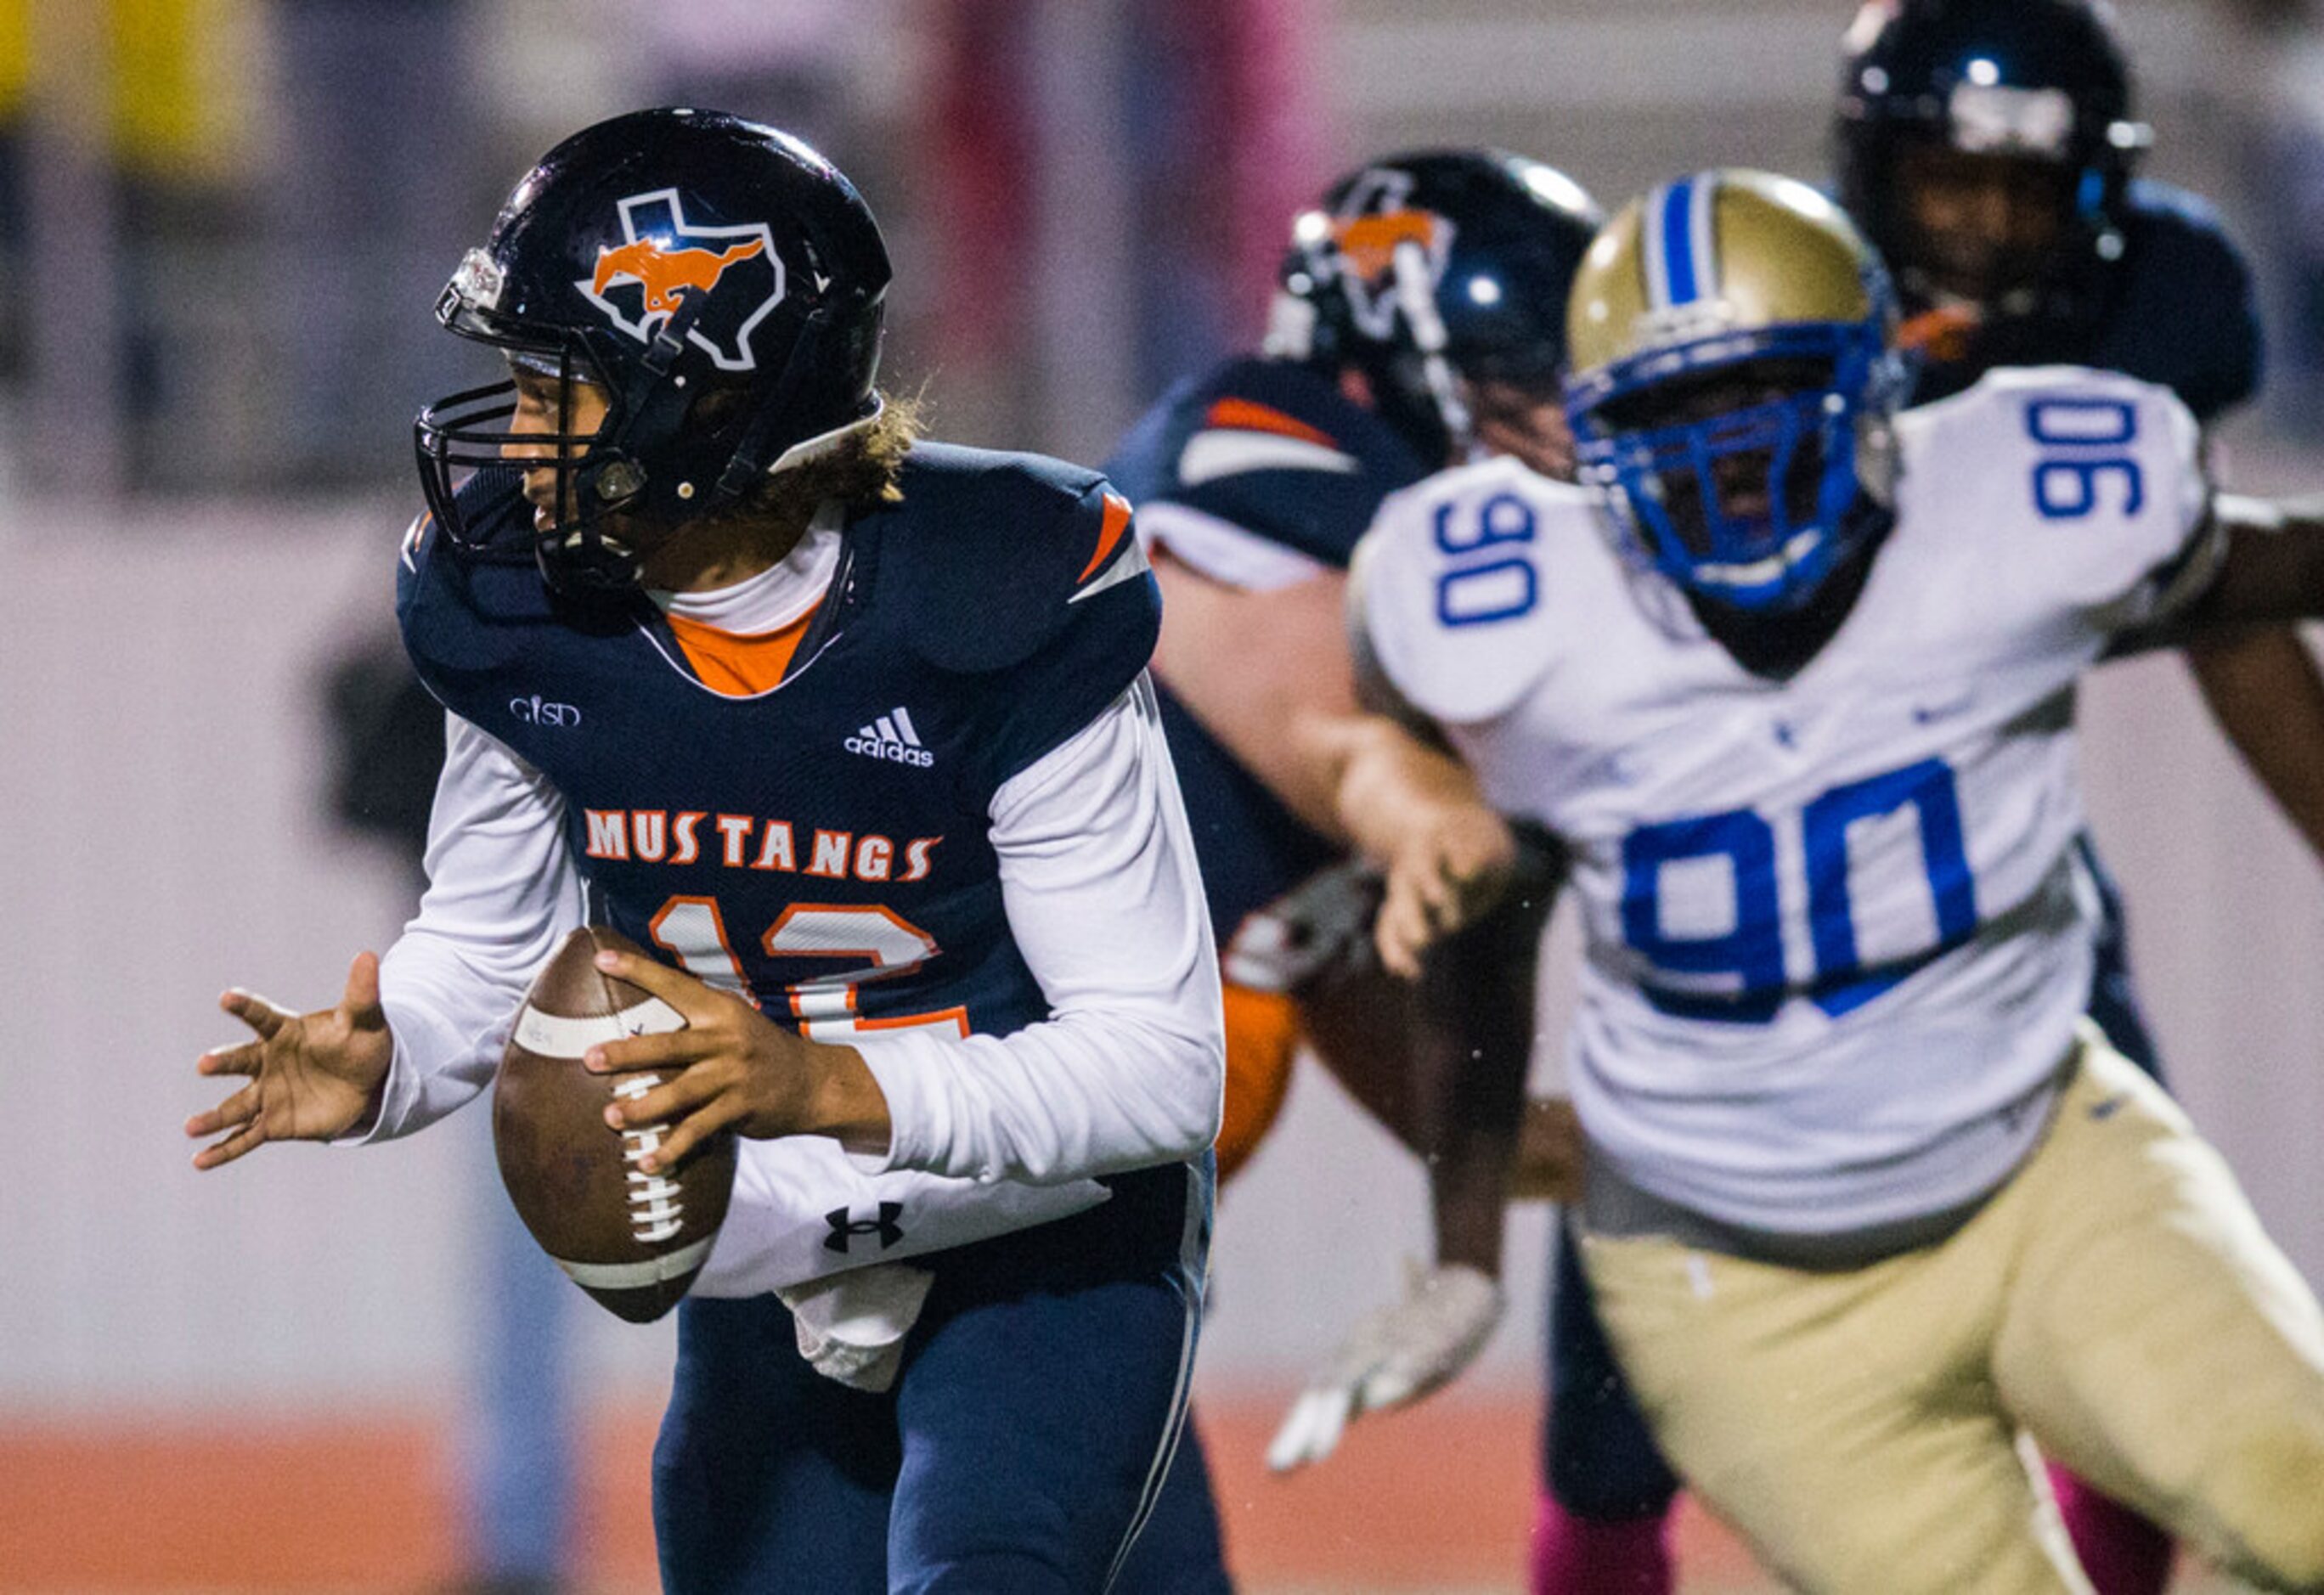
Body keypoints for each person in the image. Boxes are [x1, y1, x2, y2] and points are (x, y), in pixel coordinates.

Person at [186, 108, 1224, 1594]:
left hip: (1039, 1240)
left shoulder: (990, 600)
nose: (516, 430)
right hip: (765, 1245)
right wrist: (398, 1054)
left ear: (707, 409)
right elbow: (486, 948)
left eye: (563, 386)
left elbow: (1157, 1067)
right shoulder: (520, 603)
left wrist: (819, 1080)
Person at [1335, 166, 2324, 1592]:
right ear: (1583, 440)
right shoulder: (1493, 608)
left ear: (1879, 385)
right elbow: (1486, 925)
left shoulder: (2011, 502)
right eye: (1669, 415)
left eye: (1768, 392)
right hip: (1732, 1280)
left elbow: (2259, 569)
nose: (1728, 458)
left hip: (2051, 1168)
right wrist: (1467, 1242)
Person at [1097, 147, 1598, 1589]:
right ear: (1390, 366)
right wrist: (1434, 817)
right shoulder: (1260, 456)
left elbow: (1347, 984)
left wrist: (1592, 1159)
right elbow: (1328, 736)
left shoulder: (1411, 631)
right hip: (952, 1209)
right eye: (1527, 377)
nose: (1568, 423)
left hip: (1064, 1246)